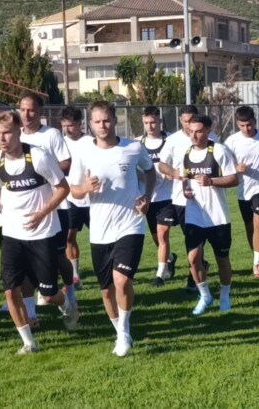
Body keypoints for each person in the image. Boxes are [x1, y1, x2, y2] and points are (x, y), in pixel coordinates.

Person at [0, 111, 78, 355]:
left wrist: (42, 213)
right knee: (10, 289)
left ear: (18, 132)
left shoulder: (38, 156)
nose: (1, 138)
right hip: (12, 234)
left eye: (6, 132)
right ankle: (29, 342)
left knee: (48, 292)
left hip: (42, 233)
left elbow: (63, 188)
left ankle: (67, 306)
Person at [70, 101, 155, 357]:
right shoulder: (84, 150)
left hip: (131, 224)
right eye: (97, 121)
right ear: (90, 124)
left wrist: (147, 197)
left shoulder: (132, 148)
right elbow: (73, 190)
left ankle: (124, 332)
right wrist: (85, 189)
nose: (102, 125)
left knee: (122, 280)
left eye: (106, 120)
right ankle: (119, 330)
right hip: (100, 230)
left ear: (115, 120)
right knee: (107, 291)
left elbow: (150, 171)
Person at [18, 93, 76, 317]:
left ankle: (70, 291)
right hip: (28, 209)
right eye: (23, 109)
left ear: (40, 112)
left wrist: (42, 174)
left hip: (56, 206)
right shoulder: (16, 136)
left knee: (58, 256)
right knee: (26, 258)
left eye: (31, 109)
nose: (26, 114)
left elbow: (66, 163)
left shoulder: (51, 135)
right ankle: (30, 303)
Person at [175, 115, 238, 314]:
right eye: (190, 131)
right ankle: (205, 296)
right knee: (193, 258)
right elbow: (184, 178)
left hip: (218, 217)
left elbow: (234, 179)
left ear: (208, 131)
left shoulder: (219, 151)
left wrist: (212, 181)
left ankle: (225, 296)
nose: (193, 135)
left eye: (199, 131)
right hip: (194, 215)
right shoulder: (186, 153)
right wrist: (185, 189)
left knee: (222, 259)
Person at [158, 105, 214, 291]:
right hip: (181, 199)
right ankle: (199, 269)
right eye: (185, 121)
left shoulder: (210, 138)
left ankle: (195, 278)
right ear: (180, 120)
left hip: (207, 198)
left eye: (192, 120)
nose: (189, 125)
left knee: (200, 239)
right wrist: (174, 173)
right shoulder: (172, 140)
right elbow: (162, 165)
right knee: (190, 237)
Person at [224, 106, 259, 278]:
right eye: (242, 125)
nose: (246, 128)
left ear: (255, 122)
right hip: (243, 190)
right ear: (237, 124)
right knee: (250, 227)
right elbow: (224, 163)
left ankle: (257, 264)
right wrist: (236, 167)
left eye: (249, 125)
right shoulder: (231, 141)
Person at [136, 106, 178, 287]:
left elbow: (180, 162)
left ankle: (160, 275)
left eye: (153, 122)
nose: (150, 126)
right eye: (146, 123)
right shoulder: (137, 143)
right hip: (148, 197)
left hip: (167, 195)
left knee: (162, 234)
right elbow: (133, 168)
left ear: (160, 121)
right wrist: (144, 177)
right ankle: (170, 258)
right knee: (156, 238)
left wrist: (172, 172)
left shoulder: (171, 140)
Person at [59, 106, 92, 289]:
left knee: (99, 237)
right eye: (64, 125)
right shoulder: (61, 143)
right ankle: (75, 276)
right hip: (70, 198)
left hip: (92, 199)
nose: (67, 129)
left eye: (71, 125)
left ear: (80, 124)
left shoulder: (90, 142)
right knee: (69, 236)